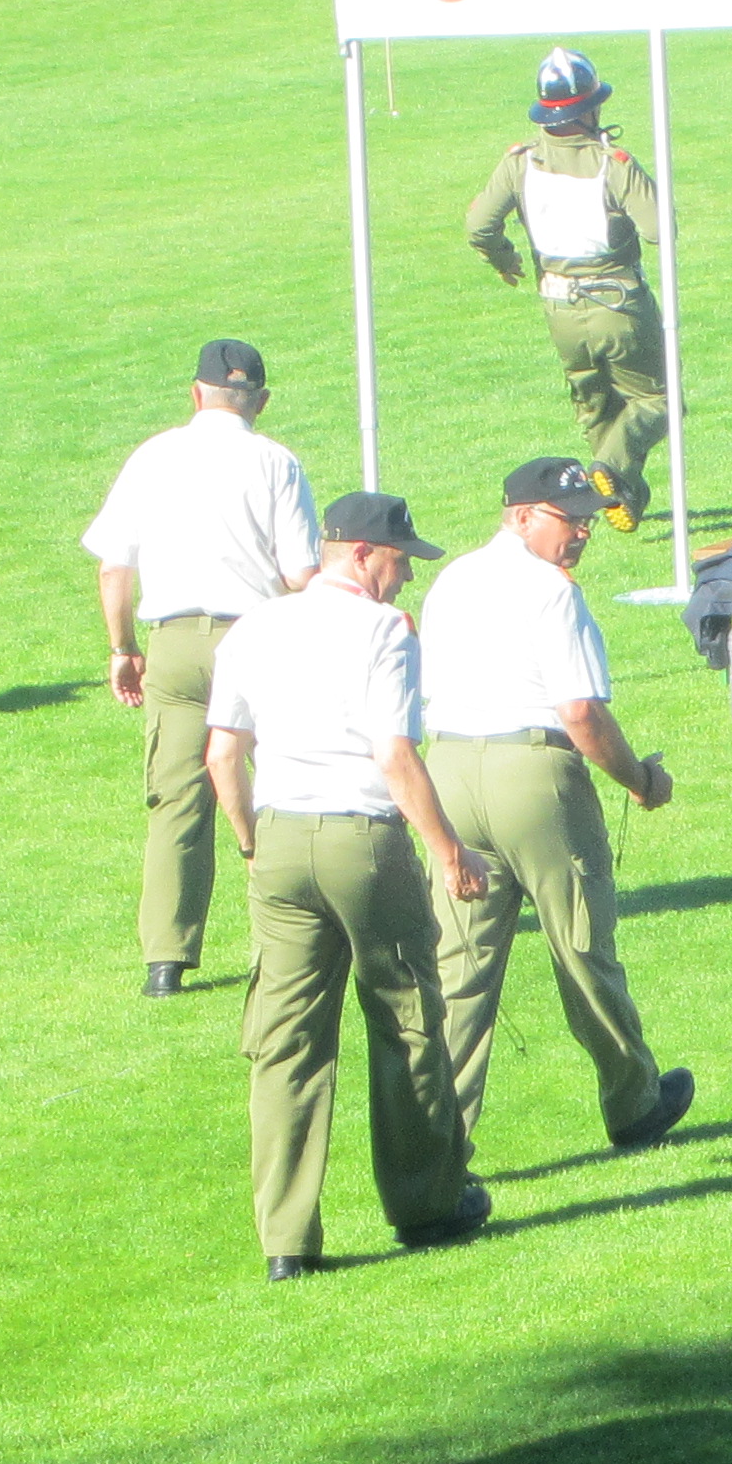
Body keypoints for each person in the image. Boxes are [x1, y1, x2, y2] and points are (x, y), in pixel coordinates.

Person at [203, 493, 489, 1279]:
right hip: (363, 838)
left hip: (279, 837)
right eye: (401, 559)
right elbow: (393, 754)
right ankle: (427, 1205)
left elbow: (223, 755)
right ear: (362, 554)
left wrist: (252, 845)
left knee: (284, 1043)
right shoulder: (384, 630)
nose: (407, 576)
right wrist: (449, 850)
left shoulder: (254, 626)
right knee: (405, 1018)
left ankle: (285, 1240)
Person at [418, 458, 693, 1160]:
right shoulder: (552, 592)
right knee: (581, 946)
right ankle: (634, 1102)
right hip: (533, 777)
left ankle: (438, 1143)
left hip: (448, 769)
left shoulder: (452, 579)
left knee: (459, 969)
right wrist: (640, 779)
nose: (583, 533)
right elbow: (580, 714)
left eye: (588, 521)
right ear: (521, 516)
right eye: (569, 519)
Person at [82, 338, 320, 998]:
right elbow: (300, 573)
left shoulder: (153, 456)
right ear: (260, 402)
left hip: (175, 645)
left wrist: (123, 648)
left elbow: (113, 568)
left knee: (177, 803)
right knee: (286, 785)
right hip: (260, 638)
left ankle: (165, 961)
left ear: (195, 394)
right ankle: (293, 932)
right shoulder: (276, 461)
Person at [462, 49, 666, 516]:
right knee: (656, 400)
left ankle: (620, 497)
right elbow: (658, 229)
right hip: (619, 304)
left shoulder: (520, 163)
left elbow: (479, 225)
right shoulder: (612, 163)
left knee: (596, 406)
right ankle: (610, 470)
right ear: (589, 109)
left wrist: (505, 259)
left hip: (560, 311)